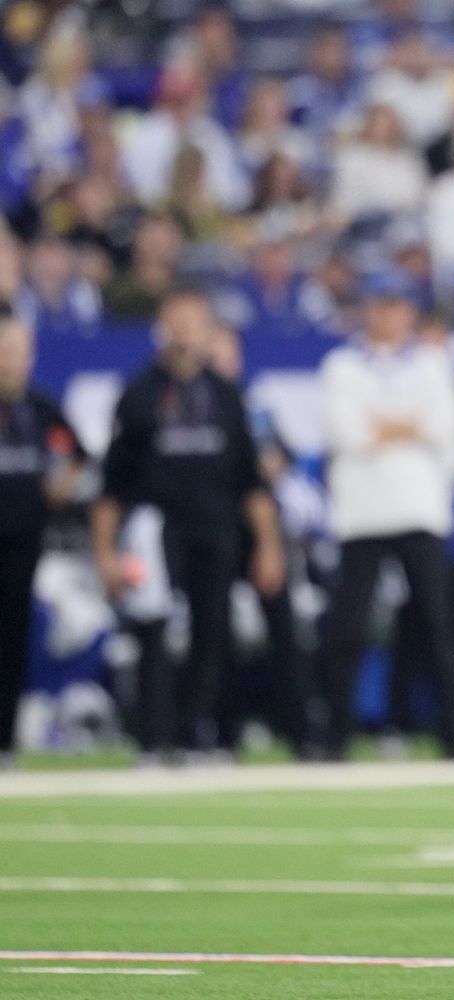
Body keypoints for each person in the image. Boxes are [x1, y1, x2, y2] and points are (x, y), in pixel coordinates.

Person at [92, 289, 285, 756]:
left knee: (213, 631)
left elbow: (252, 483)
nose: (183, 329)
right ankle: (155, 739)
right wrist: (105, 552)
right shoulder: (138, 393)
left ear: (208, 329)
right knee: (153, 631)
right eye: (175, 319)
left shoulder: (227, 396)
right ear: (162, 324)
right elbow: (112, 484)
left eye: (193, 320)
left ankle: (199, 733)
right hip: (155, 529)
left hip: (216, 526)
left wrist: (269, 545)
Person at [317, 272, 454, 759]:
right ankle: (335, 736)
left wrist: (387, 429)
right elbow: (345, 432)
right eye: (379, 305)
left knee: (437, 624)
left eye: (397, 305)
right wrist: (412, 430)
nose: (388, 315)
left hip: (420, 509)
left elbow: (449, 427)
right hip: (360, 514)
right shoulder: (341, 365)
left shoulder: (432, 362)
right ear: (366, 310)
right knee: (347, 628)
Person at [0, 317, 84, 763]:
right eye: (6, 350)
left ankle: (5, 741)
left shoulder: (41, 406)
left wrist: (59, 486)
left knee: (13, 637)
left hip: (22, 537)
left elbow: (77, 455)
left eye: (21, 351)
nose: (13, 361)